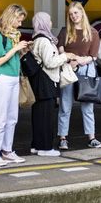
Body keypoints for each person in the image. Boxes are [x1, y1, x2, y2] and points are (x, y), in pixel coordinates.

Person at [30, 12, 80, 157]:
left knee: (39, 114)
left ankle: (36, 145)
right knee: (46, 115)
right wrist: (65, 56)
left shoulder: (37, 38)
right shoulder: (44, 41)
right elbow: (50, 62)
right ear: (44, 23)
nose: (51, 22)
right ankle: (45, 148)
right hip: (46, 81)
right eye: (49, 20)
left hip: (39, 81)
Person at [0, 4, 30, 166]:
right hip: (1, 78)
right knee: (0, 117)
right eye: (18, 20)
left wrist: (21, 51)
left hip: (12, 78)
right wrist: (16, 48)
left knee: (12, 117)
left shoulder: (13, 36)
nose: (20, 24)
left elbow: (10, 57)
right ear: (11, 18)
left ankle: (7, 151)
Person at [57, 1, 101, 150]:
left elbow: (94, 56)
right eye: (70, 14)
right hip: (69, 69)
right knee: (65, 105)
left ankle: (92, 137)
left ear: (82, 12)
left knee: (87, 105)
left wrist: (82, 60)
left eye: (76, 13)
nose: (73, 16)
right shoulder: (65, 31)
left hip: (85, 70)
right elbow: (60, 49)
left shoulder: (93, 32)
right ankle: (63, 138)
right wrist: (69, 59)